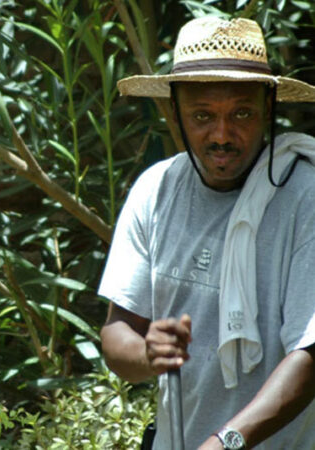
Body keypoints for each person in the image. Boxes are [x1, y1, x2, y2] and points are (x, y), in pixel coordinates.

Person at [98, 16, 315, 450]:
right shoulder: (155, 191)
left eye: (241, 113)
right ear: (175, 111)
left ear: (268, 108)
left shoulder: (304, 198)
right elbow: (118, 329)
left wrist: (228, 441)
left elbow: (311, 355)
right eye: (202, 115)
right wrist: (146, 354)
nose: (221, 135)